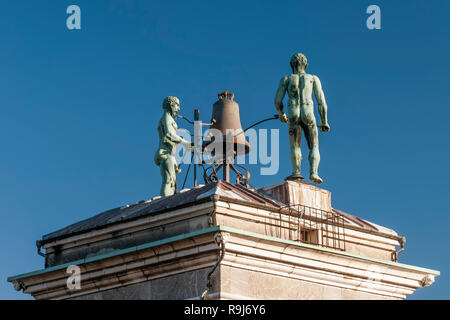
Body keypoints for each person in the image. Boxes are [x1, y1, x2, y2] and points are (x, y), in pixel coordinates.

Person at [274, 53, 330, 184]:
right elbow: (321, 102)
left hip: (293, 112)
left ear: (291, 65)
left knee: (295, 146)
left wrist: (282, 114)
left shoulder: (286, 79)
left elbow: (277, 101)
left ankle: (295, 171)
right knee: (314, 145)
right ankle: (314, 173)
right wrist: (324, 121)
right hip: (308, 112)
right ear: (306, 65)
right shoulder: (313, 78)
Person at [154, 96, 191, 196]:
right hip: (166, 154)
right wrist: (186, 143)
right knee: (168, 181)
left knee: (172, 184)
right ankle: (164, 205)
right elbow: (170, 134)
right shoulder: (167, 118)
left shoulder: (168, 118)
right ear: (171, 105)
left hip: (169, 155)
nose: (178, 109)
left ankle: (166, 204)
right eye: (177, 105)